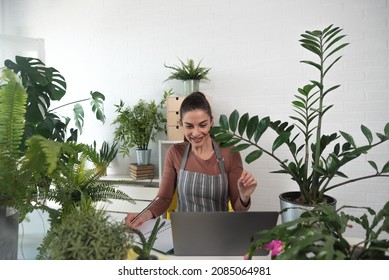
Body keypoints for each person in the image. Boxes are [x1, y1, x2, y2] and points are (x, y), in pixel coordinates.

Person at [125, 92, 257, 227]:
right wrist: (142, 215)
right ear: (181, 124)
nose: (196, 133)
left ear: (211, 122)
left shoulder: (229, 152)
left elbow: (239, 208)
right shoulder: (175, 153)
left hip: (219, 233)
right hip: (183, 233)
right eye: (189, 126)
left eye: (202, 125)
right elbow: (163, 199)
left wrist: (244, 196)